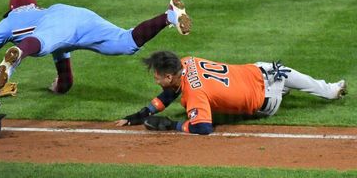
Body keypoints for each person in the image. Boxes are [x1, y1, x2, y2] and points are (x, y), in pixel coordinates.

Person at [0, 0, 191, 96]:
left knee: (43, 42)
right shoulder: (42, 13)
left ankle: (16, 56)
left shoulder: (8, 21)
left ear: (11, 9)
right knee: (126, 41)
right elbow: (66, 81)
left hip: (56, 26)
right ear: (34, 5)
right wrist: (57, 86)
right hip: (77, 14)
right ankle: (168, 16)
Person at [115, 51, 347, 135]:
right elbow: (170, 94)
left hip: (266, 98)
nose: (155, 78)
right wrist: (141, 114)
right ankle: (329, 89)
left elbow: (203, 128)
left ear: (168, 76)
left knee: (283, 76)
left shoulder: (195, 94)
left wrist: (171, 125)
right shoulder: (186, 62)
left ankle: (330, 91)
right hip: (261, 76)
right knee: (283, 74)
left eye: (157, 75)